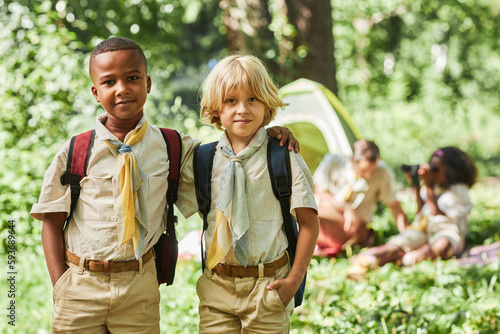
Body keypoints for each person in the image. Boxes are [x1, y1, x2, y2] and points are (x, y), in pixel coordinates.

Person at [30, 37, 298, 333]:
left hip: (139, 285)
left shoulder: (173, 146)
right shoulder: (75, 150)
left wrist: (268, 134)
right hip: (79, 286)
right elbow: (51, 222)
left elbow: (230, 154)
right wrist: (61, 286)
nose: (122, 89)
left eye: (132, 78)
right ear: (95, 92)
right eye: (109, 82)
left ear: (148, 83)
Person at [175, 54, 319, 333]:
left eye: (253, 99)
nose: (242, 109)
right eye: (231, 101)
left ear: (267, 104)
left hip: (269, 286)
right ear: (216, 108)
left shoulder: (283, 155)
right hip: (217, 287)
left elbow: (310, 223)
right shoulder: (202, 159)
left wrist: (293, 281)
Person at [347, 146, 478, 279]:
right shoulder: (433, 187)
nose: (432, 173)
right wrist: (417, 186)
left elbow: (438, 217)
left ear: (450, 170)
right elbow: (422, 213)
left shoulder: (459, 191)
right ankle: (367, 259)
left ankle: (407, 259)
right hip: (424, 229)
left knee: (442, 245)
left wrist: (430, 188)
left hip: (446, 231)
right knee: (400, 243)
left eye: (436, 169)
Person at [313, 139, 408, 257]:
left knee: (312, 217)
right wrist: (346, 208)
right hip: (329, 212)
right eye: (364, 170)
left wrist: (408, 236)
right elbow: (319, 193)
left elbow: (394, 206)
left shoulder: (381, 172)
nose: (368, 175)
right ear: (352, 161)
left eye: (372, 170)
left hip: (354, 226)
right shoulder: (333, 161)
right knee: (303, 210)